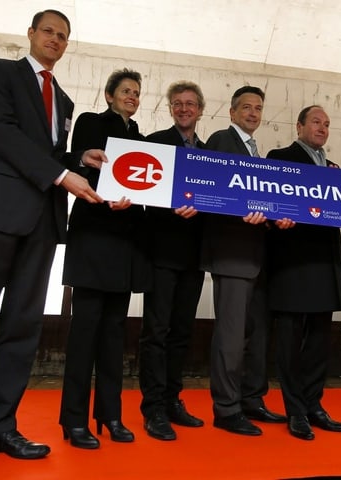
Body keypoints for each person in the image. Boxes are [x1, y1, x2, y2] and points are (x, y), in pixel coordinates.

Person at [0, 9, 105, 478]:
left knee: (21, 329)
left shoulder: (64, 98)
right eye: (49, 32)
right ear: (32, 34)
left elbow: (48, 151)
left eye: (63, 36)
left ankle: (0, 426)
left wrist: (79, 158)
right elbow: (2, 134)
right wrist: (62, 173)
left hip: (43, 224)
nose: (56, 40)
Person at [58, 69, 150, 449]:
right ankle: (74, 420)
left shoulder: (142, 140)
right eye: (126, 91)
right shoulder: (91, 122)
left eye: (137, 93)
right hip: (94, 238)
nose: (132, 97)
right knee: (84, 334)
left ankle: (110, 414)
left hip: (126, 245)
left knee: (115, 336)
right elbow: (79, 164)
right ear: (109, 94)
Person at [202, 86, 287, 436]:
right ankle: (226, 408)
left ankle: (252, 399)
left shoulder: (257, 153)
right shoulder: (221, 141)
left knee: (256, 335)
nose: (253, 113)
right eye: (246, 108)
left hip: (258, 254)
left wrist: (275, 216)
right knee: (231, 336)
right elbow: (217, 193)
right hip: (232, 253)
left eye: (258, 108)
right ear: (233, 113)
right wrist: (244, 213)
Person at [265, 105, 341, 440]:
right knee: (290, 342)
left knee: (318, 341)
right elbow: (268, 202)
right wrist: (275, 218)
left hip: (325, 261)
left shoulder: (332, 168)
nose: (322, 128)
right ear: (299, 125)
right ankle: (295, 410)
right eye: (316, 122)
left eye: (327, 124)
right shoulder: (280, 156)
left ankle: (314, 404)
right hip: (293, 262)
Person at [138, 81, 207, 441]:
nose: (184, 109)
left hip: (195, 257)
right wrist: (169, 205)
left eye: (190, 104)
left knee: (181, 334)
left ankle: (172, 399)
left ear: (200, 110)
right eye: (178, 103)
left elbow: (215, 208)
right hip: (162, 252)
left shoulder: (211, 154)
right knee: (156, 332)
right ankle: (153, 409)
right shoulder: (154, 143)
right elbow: (142, 194)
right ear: (170, 108)